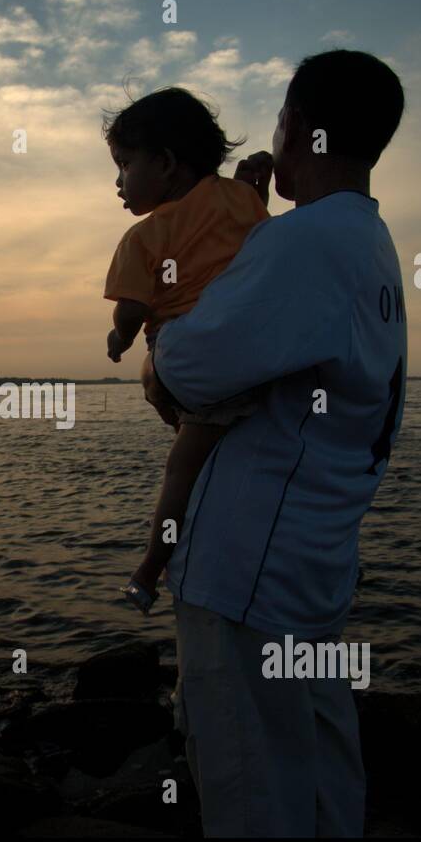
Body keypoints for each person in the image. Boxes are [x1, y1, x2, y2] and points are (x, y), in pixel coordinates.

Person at [148, 49, 408, 836]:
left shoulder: (305, 241)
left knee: (249, 780)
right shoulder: (369, 240)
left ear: (294, 126)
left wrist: (162, 343)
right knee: (319, 761)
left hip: (247, 571)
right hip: (314, 557)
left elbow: (187, 369)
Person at [100, 87, 272, 612]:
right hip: (257, 355)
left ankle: (150, 568)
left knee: (181, 471)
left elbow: (130, 309)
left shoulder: (144, 236)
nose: (118, 181)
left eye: (125, 164)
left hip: (197, 365)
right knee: (218, 450)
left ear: (167, 163)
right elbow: (245, 230)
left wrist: (119, 338)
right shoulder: (242, 200)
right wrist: (252, 180)